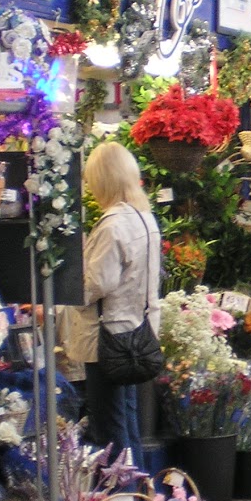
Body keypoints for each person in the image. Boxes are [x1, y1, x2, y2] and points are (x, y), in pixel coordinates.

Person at [65, 141, 162, 467]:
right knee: (127, 422)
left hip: (108, 338)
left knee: (110, 427)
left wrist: (67, 288)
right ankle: (138, 490)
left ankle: (122, 494)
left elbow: (97, 283)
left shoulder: (113, 224)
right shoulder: (144, 218)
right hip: (135, 332)